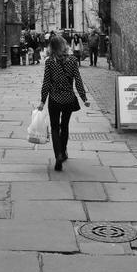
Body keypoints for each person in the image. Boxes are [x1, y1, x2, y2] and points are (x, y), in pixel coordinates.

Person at [38, 35, 90, 171]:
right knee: (65, 126)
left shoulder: (49, 62)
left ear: (52, 47)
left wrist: (43, 101)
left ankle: (58, 155)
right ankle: (64, 151)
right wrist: (84, 98)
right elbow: (78, 80)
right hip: (68, 99)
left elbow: (46, 83)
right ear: (64, 45)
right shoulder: (73, 60)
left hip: (54, 99)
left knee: (55, 128)